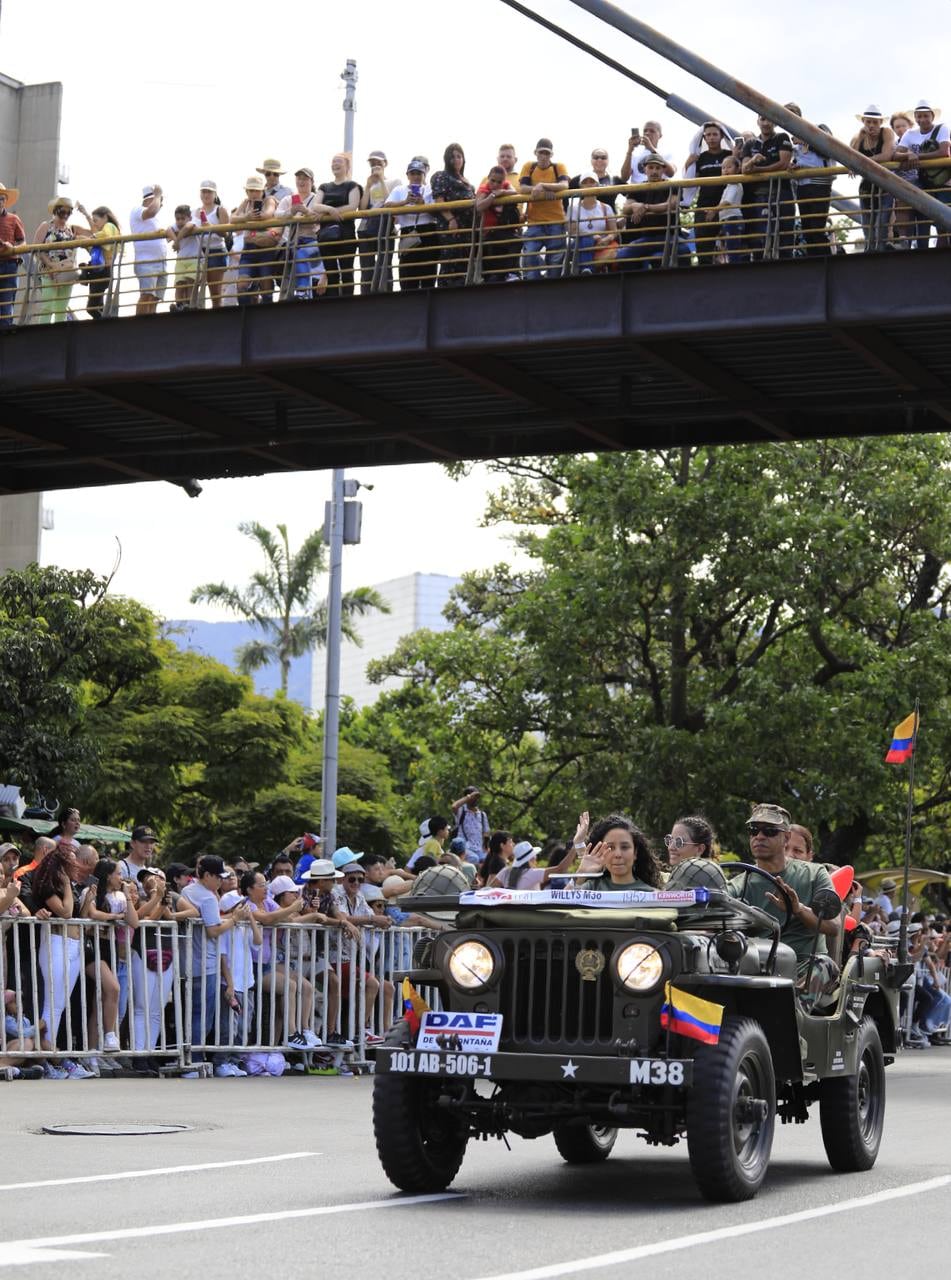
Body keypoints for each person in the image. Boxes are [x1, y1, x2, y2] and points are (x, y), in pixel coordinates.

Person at [727, 803, 839, 1003]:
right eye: (754, 830)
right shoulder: (738, 885)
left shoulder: (814, 874)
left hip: (803, 965)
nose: (759, 836)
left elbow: (833, 927)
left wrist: (798, 910)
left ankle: (794, 1015)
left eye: (769, 831)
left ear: (785, 837)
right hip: (755, 967)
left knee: (825, 966)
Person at [31, 844, 94, 1077]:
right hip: (57, 945)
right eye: (72, 860)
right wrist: (67, 883)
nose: (77, 864)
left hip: (74, 946)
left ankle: (52, 1058)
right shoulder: (50, 885)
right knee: (53, 1005)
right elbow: (65, 913)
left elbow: (78, 916)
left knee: (60, 1005)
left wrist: (87, 900)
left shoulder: (70, 886)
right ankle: (47, 1060)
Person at [182, 854, 248, 1062]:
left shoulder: (188, 890)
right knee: (203, 1017)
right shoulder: (208, 897)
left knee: (192, 1014)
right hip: (206, 964)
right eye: (218, 877)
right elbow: (213, 930)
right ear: (207, 875)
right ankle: (196, 1061)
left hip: (189, 962)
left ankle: (191, 1058)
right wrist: (235, 919)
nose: (221, 881)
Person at [894, 100, 951, 250]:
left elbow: (943, 152)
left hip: (945, 180)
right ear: (915, 117)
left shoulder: (942, 128)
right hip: (924, 180)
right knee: (922, 209)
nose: (922, 120)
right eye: (919, 116)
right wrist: (908, 155)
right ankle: (907, 241)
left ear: (932, 116)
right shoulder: (910, 133)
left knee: (944, 216)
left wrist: (915, 156)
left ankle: (940, 250)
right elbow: (896, 154)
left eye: (926, 116)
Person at [616, 154, 686, 269]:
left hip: (669, 236)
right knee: (622, 256)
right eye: (651, 167)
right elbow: (625, 209)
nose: (654, 171)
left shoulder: (673, 186)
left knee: (683, 251)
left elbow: (671, 205)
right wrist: (634, 205)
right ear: (645, 169)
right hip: (645, 238)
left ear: (663, 169)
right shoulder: (637, 188)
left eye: (658, 168)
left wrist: (646, 207)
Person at [274, 168, 333, 301]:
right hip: (293, 242)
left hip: (313, 240)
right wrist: (292, 211)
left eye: (305, 179)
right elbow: (277, 216)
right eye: (299, 178)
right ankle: (302, 291)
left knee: (300, 253)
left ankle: (303, 290)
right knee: (295, 252)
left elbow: (318, 219)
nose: (301, 181)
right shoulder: (288, 199)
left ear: (312, 182)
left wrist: (304, 211)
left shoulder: (316, 198)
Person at [741, 116, 795, 259]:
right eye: (763, 119)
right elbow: (744, 169)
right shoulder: (750, 143)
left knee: (785, 236)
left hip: (782, 193)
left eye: (770, 119)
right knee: (760, 238)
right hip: (758, 197)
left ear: (775, 122)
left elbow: (783, 164)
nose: (766, 123)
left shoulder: (782, 137)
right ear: (757, 121)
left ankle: (787, 269)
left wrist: (757, 170)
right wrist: (753, 160)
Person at [384, 161, 439, 291]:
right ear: (407, 175)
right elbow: (387, 206)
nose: (416, 176)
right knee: (407, 275)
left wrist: (423, 203)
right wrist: (405, 202)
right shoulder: (400, 190)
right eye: (413, 173)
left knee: (428, 274)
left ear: (424, 175)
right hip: (407, 231)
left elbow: (438, 212)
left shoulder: (430, 189)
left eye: (419, 173)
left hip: (428, 231)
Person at [519, 139, 569, 280]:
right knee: (529, 253)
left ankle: (552, 286)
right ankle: (533, 284)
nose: (543, 156)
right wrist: (543, 191)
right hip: (534, 221)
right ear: (535, 153)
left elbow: (564, 185)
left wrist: (542, 185)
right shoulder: (529, 166)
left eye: (547, 153)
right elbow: (522, 189)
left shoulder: (558, 167)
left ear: (551, 155)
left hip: (556, 221)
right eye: (541, 152)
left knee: (555, 260)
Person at [576, 814, 664, 891]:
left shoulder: (652, 895)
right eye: (610, 847)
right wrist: (581, 874)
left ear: (635, 852)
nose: (618, 854)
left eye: (624, 847)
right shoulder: (591, 889)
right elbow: (564, 903)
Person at [850, 106, 897, 252]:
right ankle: (869, 250)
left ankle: (881, 250)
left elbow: (887, 155)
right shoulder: (859, 137)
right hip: (867, 185)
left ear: (880, 123)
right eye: (868, 122)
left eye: (875, 122)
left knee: (882, 221)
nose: (871, 125)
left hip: (885, 183)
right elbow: (851, 158)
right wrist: (854, 164)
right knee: (867, 222)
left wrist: (864, 162)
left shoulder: (887, 132)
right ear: (863, 122)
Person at [686, 123, 733, 266]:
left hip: (726, 206)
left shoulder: (729, 155)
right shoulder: (700, 158)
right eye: (708, 135)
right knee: (703, 249)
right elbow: (691, 180)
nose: (711, 138)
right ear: (704, 138)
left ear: (722, 136)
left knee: (729, 247)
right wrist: (688, 164)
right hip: (703, 207)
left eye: (715, 134)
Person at [32, 197, 85, 323]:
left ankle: (59, 337)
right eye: (62, 212)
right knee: (47, 307)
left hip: (66, 272)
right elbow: (36, 248)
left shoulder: (71, 229)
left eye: (69, 212)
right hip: (49, 272)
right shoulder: (46, 226)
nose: (65, 215)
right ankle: (44, 335)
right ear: (55, 211)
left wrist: (85, 213)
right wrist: (50, 264)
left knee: (62, 308)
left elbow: (94, 233)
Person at [316, 154, 362, 296]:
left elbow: (353, 206)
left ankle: (348, 302)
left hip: (345, 233)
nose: (335, 164)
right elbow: (315, 206)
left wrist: (327, 213)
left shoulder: (352, 185)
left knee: (346, 271)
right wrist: (330, 210)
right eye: (333, 161)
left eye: (339, 161)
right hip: (326, 234)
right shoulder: (324, 186)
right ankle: (333, 301)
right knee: (331, 272)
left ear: (347, 167)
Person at [430, 143, 475, 286]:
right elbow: (439, 200)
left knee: (465, 259)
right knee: (450, 257)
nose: (456, 160)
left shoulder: (467, 181)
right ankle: (446, 290)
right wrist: (451, 219)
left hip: (468, 227)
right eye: (452, 157)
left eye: (459, 156)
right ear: (446, 159)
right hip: (451, 224)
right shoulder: (441, 176)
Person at [233, 176, 279, 304]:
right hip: (249, 250)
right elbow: (232, 218)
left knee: (266, 287)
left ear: (263, 190)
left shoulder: (269, 200)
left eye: (256, 190)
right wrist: (246, 217)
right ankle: (245, 318)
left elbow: (269, 213)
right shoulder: (245, 202)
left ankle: (267, 315)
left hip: (266, 248)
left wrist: (251, 217)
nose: (253, 194)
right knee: (241, 286)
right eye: (251, 190)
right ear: (247, 191)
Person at [357, 150, 398, 293]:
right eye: (372, 163)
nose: (375, 166)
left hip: (385, 226)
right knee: (366, 265)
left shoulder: (394, 182)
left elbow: (390, 202)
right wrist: (368, 186)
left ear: (385, 164)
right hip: (367, 227)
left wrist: (381, 180)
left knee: (384, 264)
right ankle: (366, 295)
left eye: (378, 163)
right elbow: (361, 208)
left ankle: (386, 295)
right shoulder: (366, 185)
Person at [474, 166, 522, 283]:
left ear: (503, 181)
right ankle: (511, 272)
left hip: (503, 230)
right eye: (492, 180)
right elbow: (479, 206)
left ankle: (510, 273)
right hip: (489, 231)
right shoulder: (484, 189)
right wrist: (493, 196)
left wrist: (502, 192)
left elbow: (514, 192)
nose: (495, 184)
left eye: (499, 182)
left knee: (515, 242)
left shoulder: (505, 186)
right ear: (488, 178)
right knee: (516, 242)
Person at [76, 203, 120, 319]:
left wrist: (88, 240)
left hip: (103, 272)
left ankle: (106, 325)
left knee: (92, 308)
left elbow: (103, 236)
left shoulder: (109, 227)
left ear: (105, 217)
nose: (94, 224)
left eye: (96, 220)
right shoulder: (107, 230)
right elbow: (97, 234)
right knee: (98, 307)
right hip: (102, 271)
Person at [190, 181, 230, 308]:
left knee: (215, 293)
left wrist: (211, 227)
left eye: (209, 191)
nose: (206, 194)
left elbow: (226, 233)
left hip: (216, 251)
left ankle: (218, 320)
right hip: (197, 252)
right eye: (203, 191)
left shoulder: (220, 209)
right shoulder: (193, 211)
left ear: (215, 194)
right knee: (193, 291)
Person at [567, 173, 618, 274]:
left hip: (602, 243)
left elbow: (614, 232)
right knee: (585, 240)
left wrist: (606, 239)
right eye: (585, 182)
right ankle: (588, 269)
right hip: (580, 244)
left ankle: (584, 270)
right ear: (580, 186)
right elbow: (572, 232)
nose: (589, 184)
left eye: (592, 182)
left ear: (597, 185)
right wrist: (591, 236)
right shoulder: (573, 208)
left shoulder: (606, 208)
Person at [129, 184, 167, 315]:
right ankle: (141, 325)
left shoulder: (154, 219)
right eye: (158, 201)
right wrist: (158, 194)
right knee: (146, 296)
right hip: (147, 262)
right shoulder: (137, 210)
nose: (160, 204)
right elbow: (152, 211)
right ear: (149, 200)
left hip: (160, 263)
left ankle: (151, 324)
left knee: (154, 298)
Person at [0, 182, 25, 327]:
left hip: (10, 265)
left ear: (5, 201)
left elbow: (23, 243)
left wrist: (13, 248)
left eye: (2, 198)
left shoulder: (14, 219)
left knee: (6, 304)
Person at [169, 204, 199, 311]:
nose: (180, 221)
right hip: (181, 259)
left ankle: (189, 304)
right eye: (178, 219)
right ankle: (179, 304)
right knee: (179, 283)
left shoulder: (193, 222)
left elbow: (188, 227)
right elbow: (167, 230)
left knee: (190, 282)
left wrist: (177, 240)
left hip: (194, 259)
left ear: (189, 218)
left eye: (183, 219)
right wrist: (175, 240)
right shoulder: (176, 226)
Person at [450, 786, 491, 863]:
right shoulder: (461, 811)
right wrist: (469, 797)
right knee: (474, 858)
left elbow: (486, 833)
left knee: (488, 860)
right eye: (473, 797)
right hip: (465, 848)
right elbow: (454, 806)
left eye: (476, 797)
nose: (475, 799)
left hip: (479, 849)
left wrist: (486, 848)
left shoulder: (482, 814)